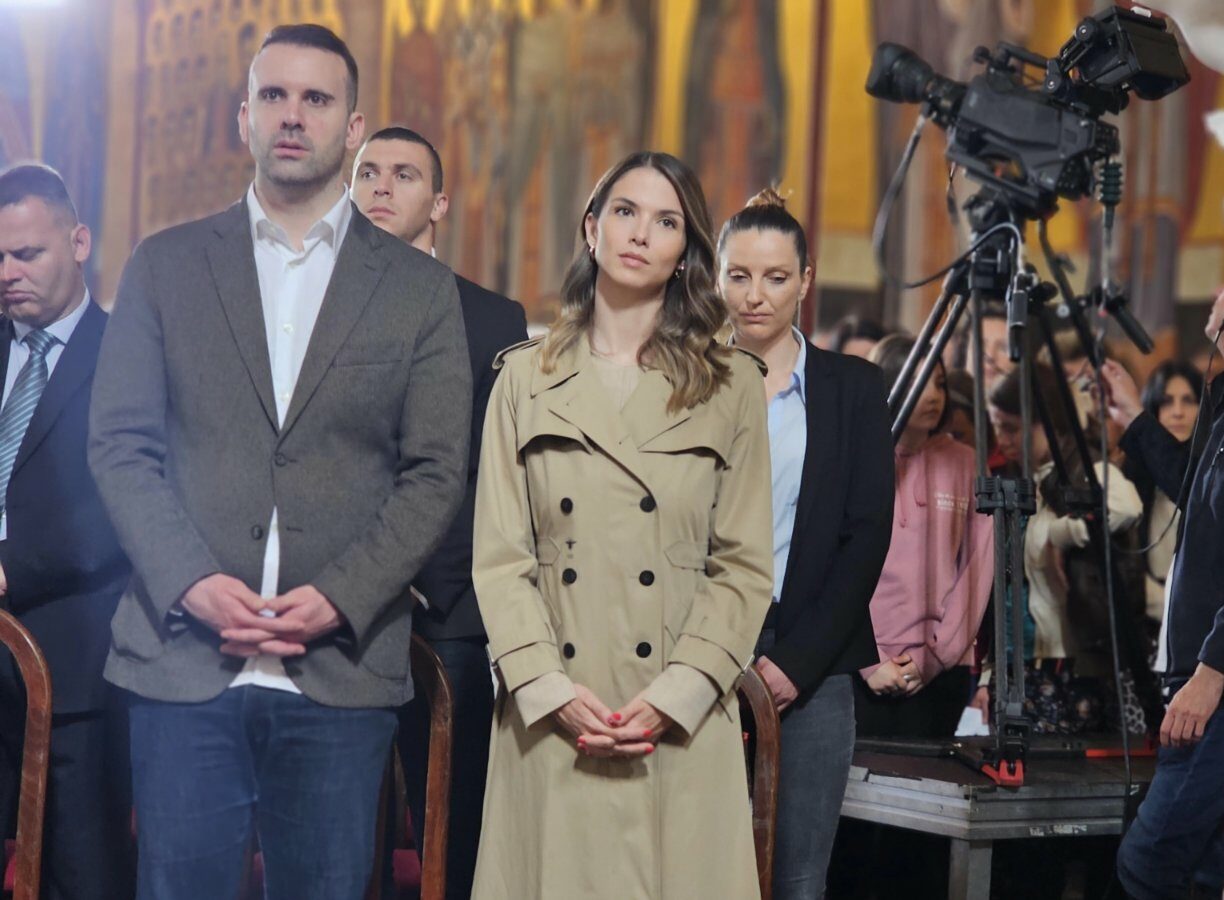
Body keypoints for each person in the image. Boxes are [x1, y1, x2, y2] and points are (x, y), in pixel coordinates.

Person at [88, 25, 471, 900]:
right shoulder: (165, 265)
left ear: (353, 125)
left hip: (338, 672)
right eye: (274, 96)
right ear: (245, 118)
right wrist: (191, 582)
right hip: (184, 660)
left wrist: (339, 596)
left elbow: (435, 470)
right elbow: (120, 445)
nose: (293, 116)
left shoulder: (417, 291)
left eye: (317, 99)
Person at [469, 151, 773, 899]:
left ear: (685, 252)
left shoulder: (731, 385)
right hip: (553, 717)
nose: (641, 233)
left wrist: (677, 693)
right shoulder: (524, 378)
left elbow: (743, 565)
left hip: (677, 723)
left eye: (666, 221)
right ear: (592, 228)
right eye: (626, 212)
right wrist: (547, 687)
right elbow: (500, 558)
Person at [350, 125, 527, 900]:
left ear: (440, 202)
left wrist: (422, 572)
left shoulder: (494, 320)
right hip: (337, 604)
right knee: (338, 828)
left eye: (404, 175)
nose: (382, 188)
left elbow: (492, 471)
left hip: (448, 604)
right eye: (368, 173)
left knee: (448, 832)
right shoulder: (312, 306)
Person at [717, 188, 894, 900]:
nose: (755, 295)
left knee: (796, 877)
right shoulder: (686, 380)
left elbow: (866, 536)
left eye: (776, 277)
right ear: (716, 279)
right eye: (738, 275)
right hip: (696, 648)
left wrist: (798, 661)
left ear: (806, 280)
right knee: (697, 870)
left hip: (814, 660)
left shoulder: (854, 388)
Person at [0, 164, 134, 900]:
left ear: (78, 242)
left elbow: (121, 503)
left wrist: (10, 567)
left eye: (27, 254)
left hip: (75, 666)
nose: (7, 273)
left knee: (81, 879)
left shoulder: (127, 355)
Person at [1101, 290, 1224, 897]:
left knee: (1148, 862)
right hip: (1201, 677)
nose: (1217, 301)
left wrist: (1212, 670)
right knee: (1202, 871)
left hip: (1213, 685)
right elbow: (1198, 495)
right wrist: (1135, 418)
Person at [988, 364, 1143, 735]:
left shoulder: (1084, 470)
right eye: (997, 427)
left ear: (1048, 423)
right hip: (1021, 664)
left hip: (1071, 665)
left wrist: (1062, 533)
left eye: (1012, 428)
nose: (1002, 440)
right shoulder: (1016, 481)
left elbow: (1126, 506)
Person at [856, 334, 994, 737]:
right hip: (858, 665)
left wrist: (933, 658)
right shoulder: (858, 455)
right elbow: (834, 566)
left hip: (940, 671)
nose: (933, 395)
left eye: (939, 383)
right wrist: (867, 660)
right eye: (920, 381)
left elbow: (977, 569)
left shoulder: (967, 463)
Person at [1126, 360, 1202, 655]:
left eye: (1188, 400)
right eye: (1167, 401)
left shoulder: (1210, 479)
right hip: (1146, 632)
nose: (1178, 412)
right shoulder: (1134, 479)